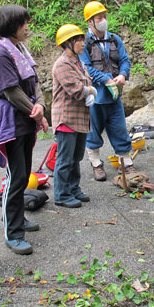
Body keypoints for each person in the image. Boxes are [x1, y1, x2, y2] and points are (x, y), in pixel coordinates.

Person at [0, 5, 49, 255]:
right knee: (16, 176)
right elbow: (11, 91)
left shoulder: (19, 49)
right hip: (10, 118)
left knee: (21, 172)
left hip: (24, 116)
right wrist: (36, 109)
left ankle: (17, 219)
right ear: (11, 25)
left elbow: (34, 82)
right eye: (23, 23)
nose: (27, 27)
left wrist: (40, 104)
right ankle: (12, 233)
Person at [79, 1, 135, 181]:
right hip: (95, 97)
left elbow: (125, 60)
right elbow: (86, 68)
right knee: (93, 132)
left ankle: (125, 162)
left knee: (119, 129)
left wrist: (123, 75)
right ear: (90, 22)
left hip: (114, 96)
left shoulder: (114, 39)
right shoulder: (84, 43)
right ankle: (96, 163)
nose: (103, 20)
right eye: (99, 18)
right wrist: (106, 79)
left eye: (104, 16)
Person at [52, 24, 97, 208]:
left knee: (76, 157)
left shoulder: (78, 62)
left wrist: (89, 90)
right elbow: (76, 89)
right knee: (65, 159)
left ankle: (73, 188)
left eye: (82, 39)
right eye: (78, 40)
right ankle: (62, 194)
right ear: (68, 43)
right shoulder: (62, 64)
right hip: (67, 118)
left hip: (80, 118)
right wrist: (91, 90)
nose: (82, 43)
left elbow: (86, 82)